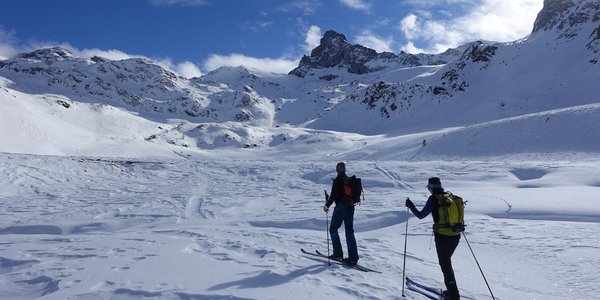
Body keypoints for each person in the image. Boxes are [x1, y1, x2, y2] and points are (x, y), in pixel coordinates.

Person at [406, 177, 461, 300]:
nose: (429, 191)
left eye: (429, 188)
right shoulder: (450, 197)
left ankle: (454, 295)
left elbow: (420, 215)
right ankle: (451, 291)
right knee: (446, 264)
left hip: (442, 237)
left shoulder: (433, 199)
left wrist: (411, 206)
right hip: (455, 235)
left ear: (431, 188)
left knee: (445, 265)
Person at [323, 162, 359, 265]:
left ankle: (338, 254)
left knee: (333, 229)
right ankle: (353, 258)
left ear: (337, 169)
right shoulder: (349, 180)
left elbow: (334, 195)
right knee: (349, 231)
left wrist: (326, 206)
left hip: (341, 207)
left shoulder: (338, 180)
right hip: (350, 207)